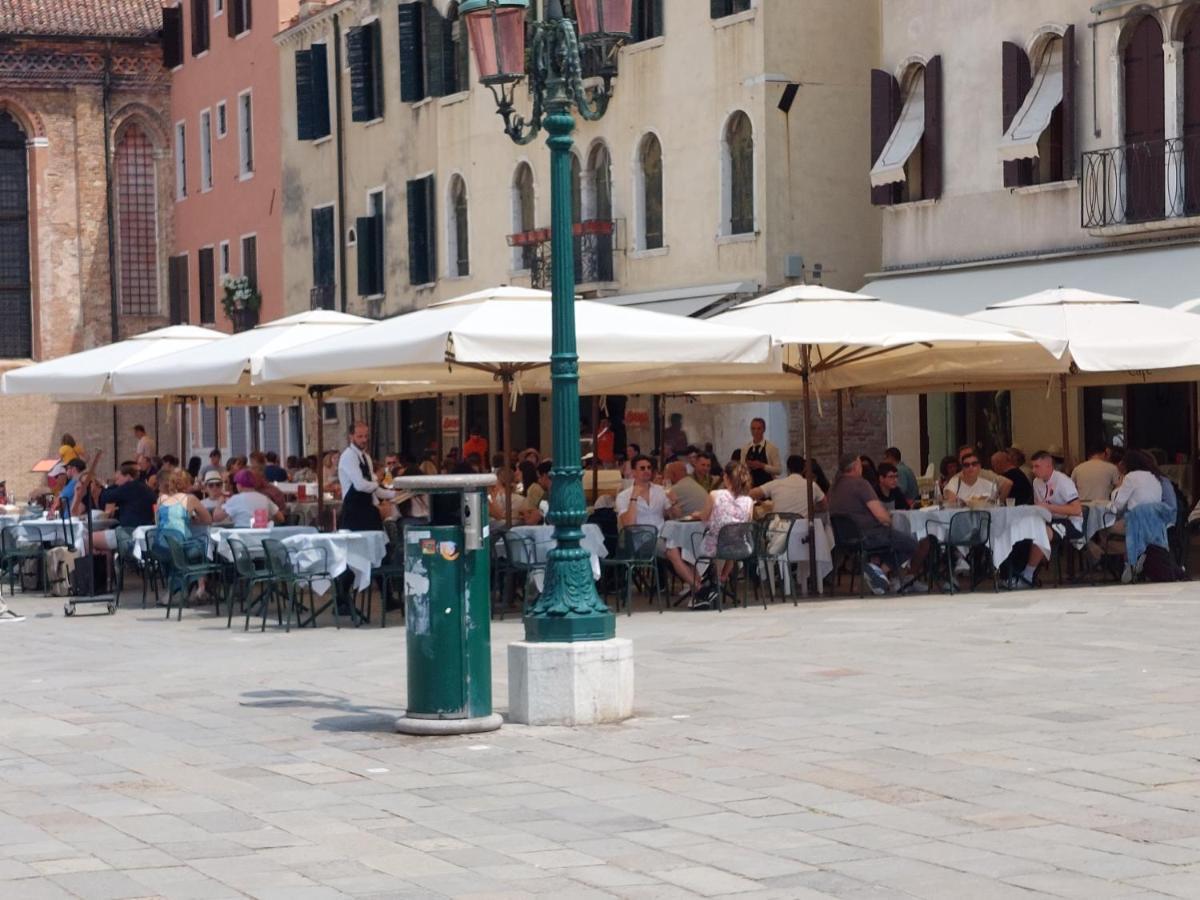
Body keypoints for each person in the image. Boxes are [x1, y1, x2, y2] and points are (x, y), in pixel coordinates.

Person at [828, 453, 929, 595]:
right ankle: (879, 572)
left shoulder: (833, 488)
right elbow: (881, 515)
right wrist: (888, 520)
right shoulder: (860, 484)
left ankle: (878, 574)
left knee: (894, 541)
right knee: (911, 543)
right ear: (856, 466)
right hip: (868, 535)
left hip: (844, 538)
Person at [671, 462, 756, 601]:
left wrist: (697, 515)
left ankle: (700, 585)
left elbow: (705, 517)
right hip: (740, 547)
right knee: (733, 537)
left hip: (715, 547)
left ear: (726, 477)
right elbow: (744, 525)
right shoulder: (749, 501)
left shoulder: (715, 494)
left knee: (686, 547)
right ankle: (721, 578)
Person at [1011, 450, 1084, 590]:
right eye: (1032, 466)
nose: (1033, 470)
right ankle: (1016, 571)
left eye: (1037, 466)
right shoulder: (1036, 482)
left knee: (1041, 532)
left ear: (1049, 466)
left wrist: (1050, 507)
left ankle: (1028, 574)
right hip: (1048, 520)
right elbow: (1040, 508)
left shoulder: (1063, 481)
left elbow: (1076, 509)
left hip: (1071, 522)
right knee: (1022, 530)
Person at [337, 421, 395, 531]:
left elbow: (373, 489)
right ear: (351, 436)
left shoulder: (366, 457)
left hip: (367, 510)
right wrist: (377, 481)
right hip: (353, 513)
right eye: (360, 436)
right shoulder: (348, 456)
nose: (364, 440)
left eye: (366, 436)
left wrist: (394, 494)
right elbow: (360, 485)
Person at [750, 454, 826, 517]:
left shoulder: (775, 484)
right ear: (804, 469)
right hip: (802, 531)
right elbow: (824, 506)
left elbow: (751, 494)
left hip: (779, 531)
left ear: (788, 469)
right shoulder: (812, 485)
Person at [616, 454, 677, 529]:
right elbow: (628, 524)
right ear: (634, 472)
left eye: (649, 468)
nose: (646, 470)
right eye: (642, 468)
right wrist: (633, 498)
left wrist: (674, 503)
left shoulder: (661, 490)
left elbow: (675, 516)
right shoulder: (623, 496)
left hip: (661, 536)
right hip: (638, 538)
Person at [214, 468, 283, 528]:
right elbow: (281, 518)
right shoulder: (264, 498)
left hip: (242, 538)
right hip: (262, 537)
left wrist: (219, 502)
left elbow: (217, 518)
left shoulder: (236, 499)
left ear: (239, 485)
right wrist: (267, 519)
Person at [740, 417, 781, 488]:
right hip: (751, 487)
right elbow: (741, 470)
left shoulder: (771, 448)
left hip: (768, 487)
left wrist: (762, 466)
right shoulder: (745, 449)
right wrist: (747, 467)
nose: (755, 431)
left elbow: (778, 470)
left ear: (764, 429)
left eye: (759, 429)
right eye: (753, 429)